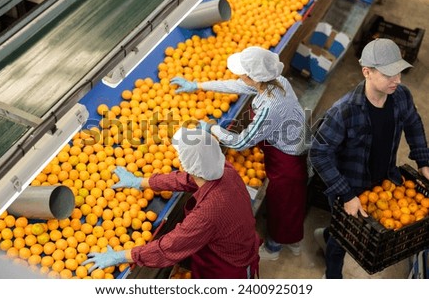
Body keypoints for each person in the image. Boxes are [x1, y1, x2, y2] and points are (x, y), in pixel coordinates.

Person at [170, 46, 309, 260]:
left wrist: (211, 128)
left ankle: (276, 246)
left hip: (287, 158)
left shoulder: (269, 107)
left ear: (252, 77)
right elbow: (235, 85)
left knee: (283, 200)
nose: (240, 76)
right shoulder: (277, 82)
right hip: (292, 140)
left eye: (243, 73)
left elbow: (241, 142)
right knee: (290, 199)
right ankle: (291, 236)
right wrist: (198, 85)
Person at [310, 38, 429, 279]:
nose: (397, 80)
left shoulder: (401, 96)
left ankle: (327, 234)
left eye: (399, 72)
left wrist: (424, 162)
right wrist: (347, 194)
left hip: (383, 177)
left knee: (352, 229)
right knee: (345, 236)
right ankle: (332, 277)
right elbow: (319, 152)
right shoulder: (344, 111)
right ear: (367, 72)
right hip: (349, 183)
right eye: (389, 74)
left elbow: (414, 123)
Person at [83, 127, 261, 279]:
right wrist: (141, 182)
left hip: (228, 269)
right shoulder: (224, 171)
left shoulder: (208, 212)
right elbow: (187, 179)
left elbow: (170, 247)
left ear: (188, 165)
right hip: (229, 244)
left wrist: (120, 256)